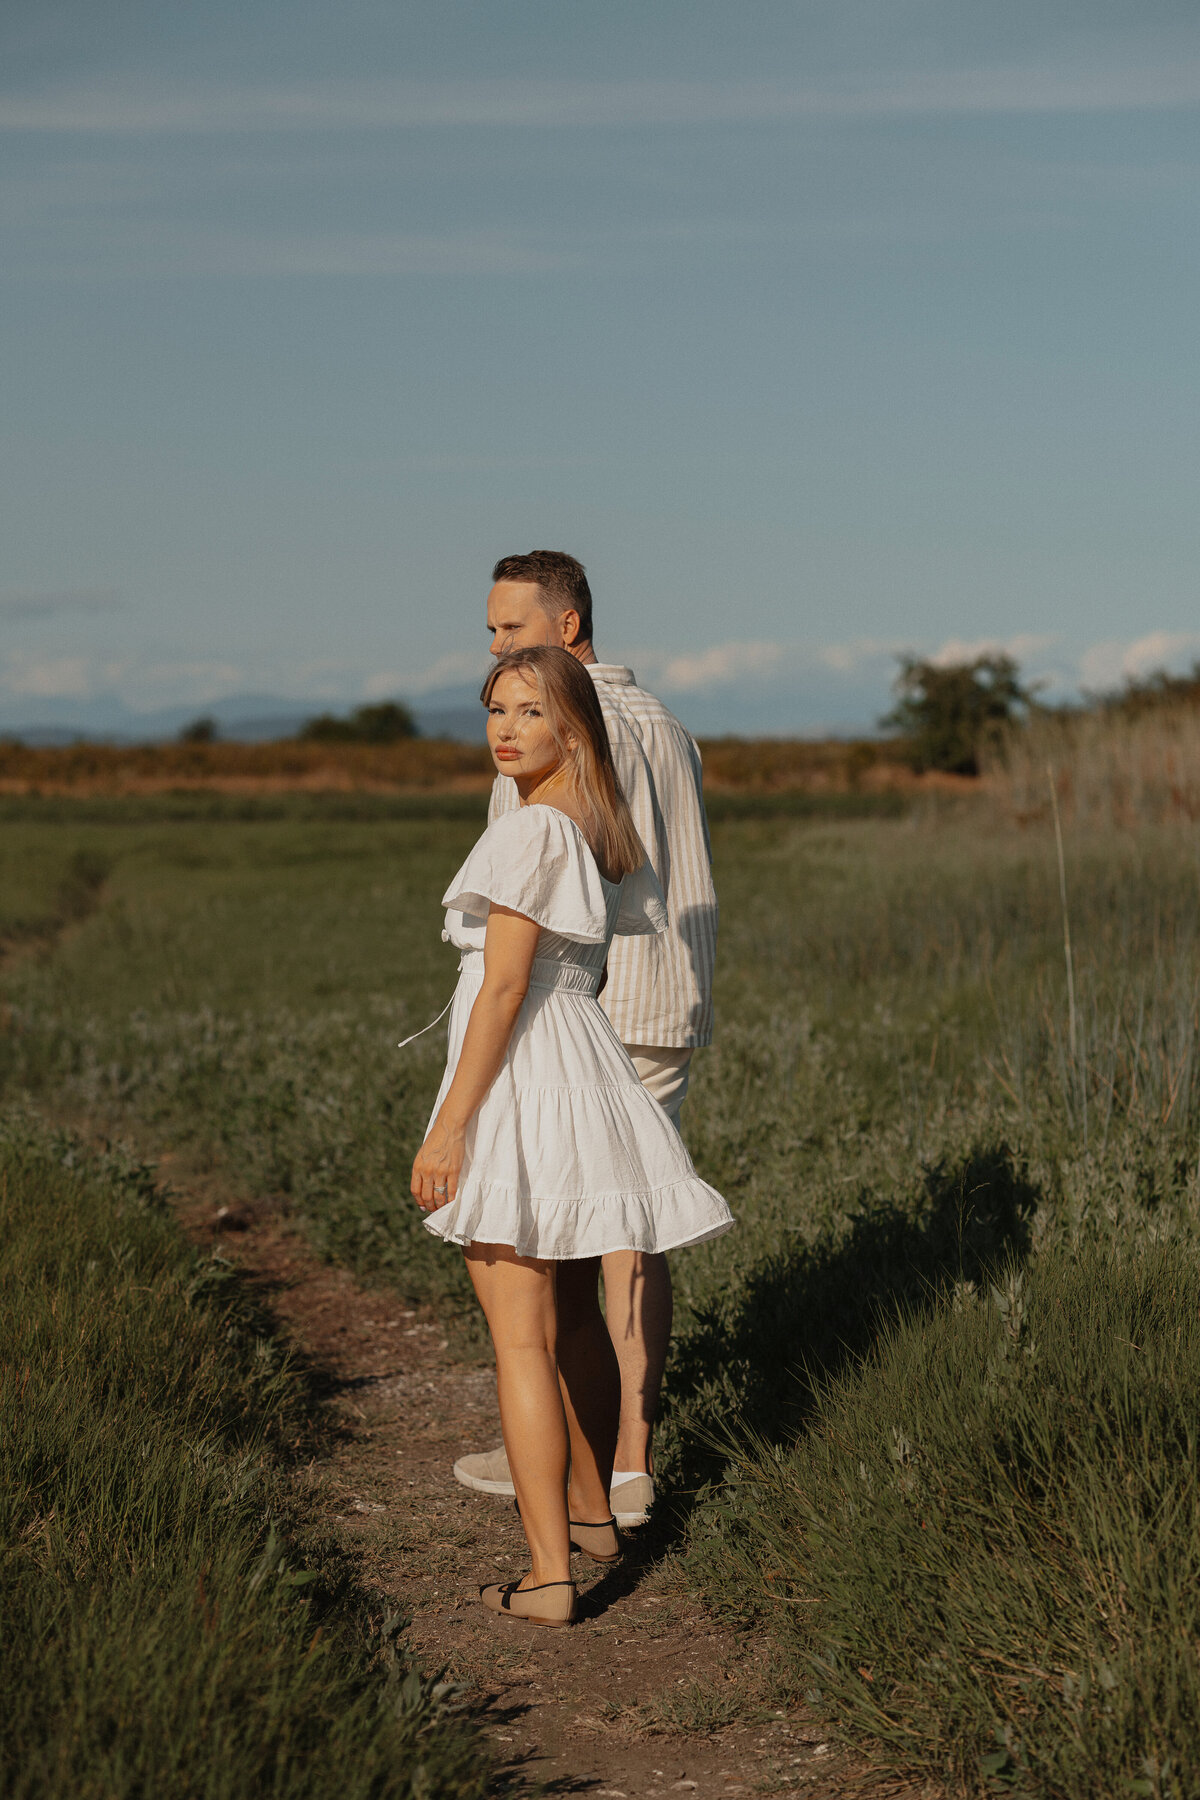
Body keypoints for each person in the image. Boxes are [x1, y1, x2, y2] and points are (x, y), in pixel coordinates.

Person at [411, 647, 732, 1626]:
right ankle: (591, 1515)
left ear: (573, 728)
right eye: (495, 711)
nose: (506, 731)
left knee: (521, 1339)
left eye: (530, 713)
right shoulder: (588, 823)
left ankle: (549, 1575)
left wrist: (450, 1129)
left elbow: (505, 986)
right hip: (574, 1067)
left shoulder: (529, 831)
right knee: (574, 1312)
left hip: (522, 1080)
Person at [453, 551, 718, 1527]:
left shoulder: (555, 718)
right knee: (627, 1227)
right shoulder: (667, 723)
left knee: (562, 1235)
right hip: (668, 991)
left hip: (578, 1005)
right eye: (492, 632)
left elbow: (528, 914)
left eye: (510, 628)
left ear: (566, 628)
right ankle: (624, 1463)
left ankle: (579, 1460)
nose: (496, 649)